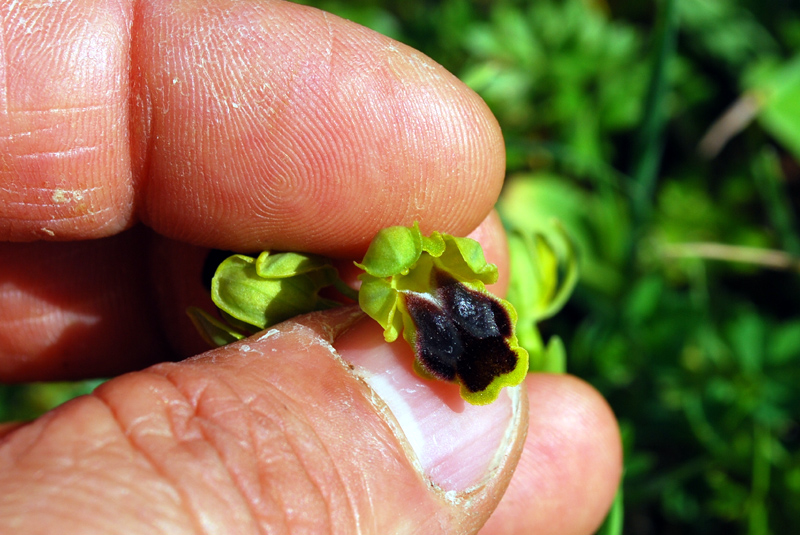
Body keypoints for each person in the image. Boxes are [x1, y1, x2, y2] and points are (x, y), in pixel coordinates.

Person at [0, 1, 622, 533]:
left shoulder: (446, 281)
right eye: (408, 280)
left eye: (426, 273)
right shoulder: (401, 294)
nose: (419, 280)